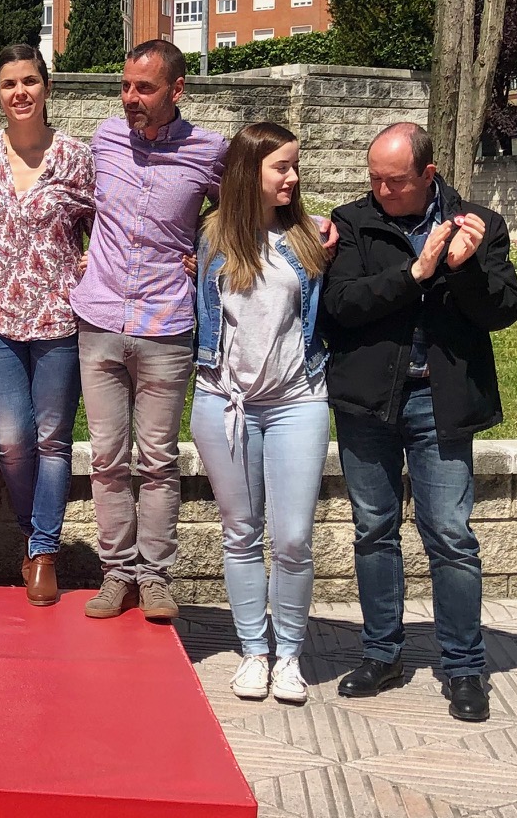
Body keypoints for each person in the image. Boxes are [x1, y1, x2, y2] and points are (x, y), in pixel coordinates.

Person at [322, 123, 517, 723]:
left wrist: (460, 269)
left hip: (441, 402)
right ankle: (381, 653)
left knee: (451, 537)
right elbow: (340, 306)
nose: (381, 190)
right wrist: (415, 274)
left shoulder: (476, 222)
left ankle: (464, 666)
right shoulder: (354, 221)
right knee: (374, 529)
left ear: (428, 175)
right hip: (368, 402)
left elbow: (504, 311)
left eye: (394, 181)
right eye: (374, 178)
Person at [71, 39, 227, 624]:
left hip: (166, 325)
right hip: (101, 319)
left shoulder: (211, 151)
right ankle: (117, 574)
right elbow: (79, 208)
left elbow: (252, 204)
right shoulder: (105, 140)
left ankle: (156, 576)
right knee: (108, 458)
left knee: (158, 459)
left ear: (177, 90)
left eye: (145, 88)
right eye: (126, 86)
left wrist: (205, 248)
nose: (130, 98)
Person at [191, 122, 331, 705]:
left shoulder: (308, 239)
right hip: (224, 402)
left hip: (298, 401)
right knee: (242, 533)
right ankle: (253, 651)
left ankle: (290, 654)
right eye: (282, 167)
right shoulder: (213, 241)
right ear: (250, 173)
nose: (294, 178)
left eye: (295, 166)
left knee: (294, 537)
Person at [0, 44, 92, 605]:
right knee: (13, 442)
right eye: (7, 84)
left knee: (52, 440)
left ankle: (43, 550)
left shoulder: (76, 156)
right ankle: (31, 534)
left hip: (59, 318)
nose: (19, 92)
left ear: (46, 87)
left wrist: (96, 261)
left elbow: (108, 225)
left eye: (29, 81)